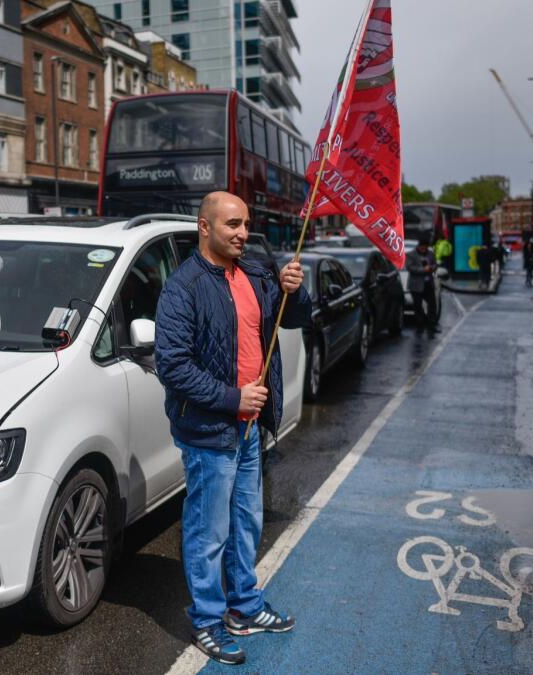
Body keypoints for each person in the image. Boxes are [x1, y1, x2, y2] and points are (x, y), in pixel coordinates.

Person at [155, 191, 311, 666]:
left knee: (247, 523)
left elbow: (298, 318)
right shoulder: (183, 287)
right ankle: (206, 620)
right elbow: (172, 365)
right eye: (233, 225)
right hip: (209, 431)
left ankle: (244, 607)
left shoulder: (256, 274)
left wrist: (294, 289)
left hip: (248, 431)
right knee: (208, 531)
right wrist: (233, 398)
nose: (243, 233)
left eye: (245, 224)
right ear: (205, 227)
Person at [407, 239, 438, 335]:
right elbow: (410, 267)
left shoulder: (430, 254)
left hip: (428, 283)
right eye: (422, 248)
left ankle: (431, 326)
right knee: (417, 305)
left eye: (426, 248)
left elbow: (435, 264)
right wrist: (423, 269)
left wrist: (432, 267)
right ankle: (420, 325)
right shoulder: (411, 254)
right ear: (419, 246)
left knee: (432, 305)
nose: (424, 249)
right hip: (416, 285)